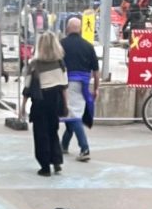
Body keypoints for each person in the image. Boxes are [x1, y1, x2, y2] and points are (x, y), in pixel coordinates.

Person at [20, 31, 68, 177]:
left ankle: (45, 166)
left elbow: (27, 87)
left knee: (41, 133)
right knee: (53, 130)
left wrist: (23, 107)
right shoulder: (60, 63)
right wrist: (66, 105)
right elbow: (64, 86)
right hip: (56, 99)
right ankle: (56, 160)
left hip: (40, 101)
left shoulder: (34, 64)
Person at [61, 16, 99, 162]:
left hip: (67, 82)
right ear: (80, 29)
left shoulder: (61, 44)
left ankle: (84, 148)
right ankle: (64, 145)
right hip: (83, 84)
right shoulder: (88, 46)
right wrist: (96, 88)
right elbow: (96, 70)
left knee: (73, 115)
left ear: (67, 29)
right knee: (72, 113)